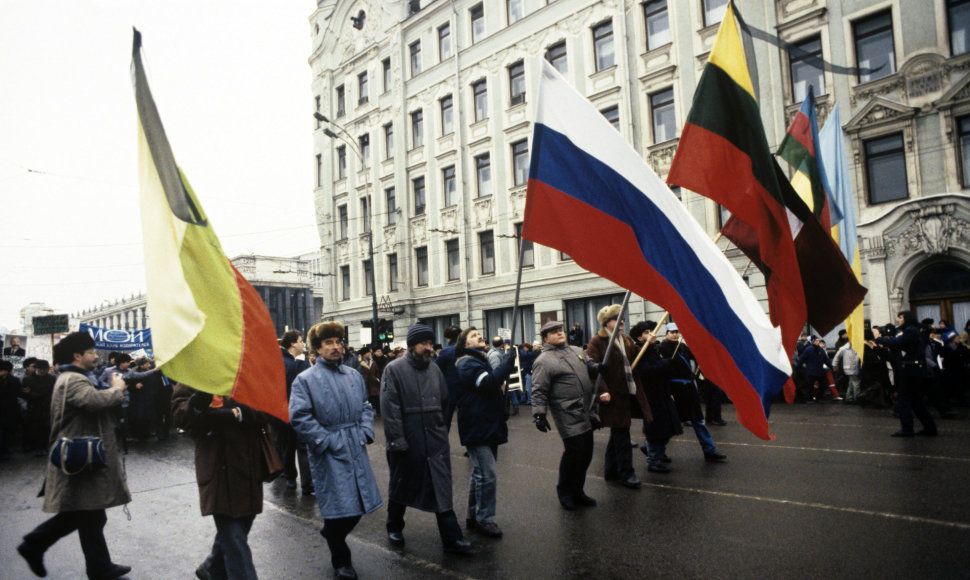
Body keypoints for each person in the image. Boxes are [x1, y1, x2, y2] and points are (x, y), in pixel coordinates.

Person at [18, 331, 131, 580]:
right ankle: (34, 544)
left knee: (91, 514)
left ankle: (99, 567)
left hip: (85, 456)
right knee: (84, 512)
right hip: (81, 458)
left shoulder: (77, 376)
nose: (94, 355)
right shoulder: (73, 379)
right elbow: (92, 401)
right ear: (77, 355)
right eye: (90, 352)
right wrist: (116, 389)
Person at [289, 321, 382, 580]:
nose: (335, 347)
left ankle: (332, 533)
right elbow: (300, 417)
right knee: (338, 505)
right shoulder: (304, 380)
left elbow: (365, 405)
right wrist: (328, 442)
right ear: (317, 349)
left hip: (355, 444)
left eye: (338, 342)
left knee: (359, 503)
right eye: (328, 343)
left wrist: (364, 430)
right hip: (330, 451)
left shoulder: (352, 375)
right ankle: (342, 561)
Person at [380, 324, 473, 554]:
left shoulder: (435, 369)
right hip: (408, 439)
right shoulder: (393, 369)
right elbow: (390, 409)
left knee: (441, 488)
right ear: (412, 345)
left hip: (434, 439)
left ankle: (451, 538)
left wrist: (439, 429)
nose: (429, 348)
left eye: (431, 344)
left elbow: (444, 401)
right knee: (401, 484)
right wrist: (398, 441)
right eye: (424, 344)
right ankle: (394, 526)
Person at [172, 384, 269, 580]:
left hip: (248, 462)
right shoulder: (192, 376)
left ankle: (212, 566)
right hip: (218, 465)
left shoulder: (246, 370)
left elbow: (267, 410)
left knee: (242, 523)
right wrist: (197, 404)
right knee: (234, 536)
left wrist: (236, 413)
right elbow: (181, 417)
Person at [531, 320, 601, 509]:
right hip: (567, 412)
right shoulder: (543, 361)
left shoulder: (577, 350)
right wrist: (539, 414)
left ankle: (578, 491)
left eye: (561, 330)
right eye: (554, 332)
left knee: (586, 454)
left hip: (586, 410)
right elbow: (539, 390)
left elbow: (590, 366)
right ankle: (565, 492)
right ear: (546, 338)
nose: (560, 333)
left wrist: (598, 368)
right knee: (574, 453)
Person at [454, 326, 517, 538]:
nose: (480, 335)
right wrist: (506, 366)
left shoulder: (480, 360)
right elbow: (487, 384)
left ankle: (473, 516)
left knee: (479, 473)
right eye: (473, 336)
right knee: (487, 474)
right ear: (465, 345)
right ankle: (485, 519)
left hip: (488, 424)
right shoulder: (467, 362)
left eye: (480, 333)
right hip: (477, 425)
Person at [586, 304, 652, 489]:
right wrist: (602, 391)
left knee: (618, 432)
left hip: (627, 392)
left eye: (622, 318)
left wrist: (648, 344)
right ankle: (627, 474)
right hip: (612, 395)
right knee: (622, 433)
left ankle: (611, 470)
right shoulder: (597, 341)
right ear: (607, 323)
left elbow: (637, 358)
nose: (621, 321)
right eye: (617, 319)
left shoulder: (626, 338)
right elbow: (592, 369)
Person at [659, 323, 727, 463]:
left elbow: (697, 355)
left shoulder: (683, 347)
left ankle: (710, 450)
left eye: (677, 332)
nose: (675, 334)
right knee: (672, 422)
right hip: (676, 389)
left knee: (698, 421)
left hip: (689, 388)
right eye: (672, 332)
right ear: (666, 333)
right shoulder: (662, 348)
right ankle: (653, 448)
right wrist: (668, 391)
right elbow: (662, 373)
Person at [628, 321, 681, 473]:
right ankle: (653, 460)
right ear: (639, 338)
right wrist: (664, 364)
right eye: (646, 332)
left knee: (669, 427)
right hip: (650, 396)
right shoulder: (639, 353)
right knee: (656, 429)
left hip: (662, 393)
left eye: (652, 331)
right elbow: (644, 372)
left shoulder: (654, 349)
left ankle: (654, 450)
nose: (652, 334)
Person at [874, 311, 938, 437]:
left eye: (900, 318)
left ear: (906, 319)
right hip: (914, 368)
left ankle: (907, 429)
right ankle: (930, 428)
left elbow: (896, 343)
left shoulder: (910, 331)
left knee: (903, 400)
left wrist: (879, 338)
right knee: (916, 401)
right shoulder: (913, 330)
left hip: (911, 370)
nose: (898, 320)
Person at [277, 330, 313, 495]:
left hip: (289, 412)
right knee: (298, 447)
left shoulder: (292, 360)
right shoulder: (288, 362)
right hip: (292, 411)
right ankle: (305, 484)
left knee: (290, 446)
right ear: (292, 344)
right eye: (300, 341)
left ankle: (292, 478)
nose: (303, 344)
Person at [21, 359, 55, 456]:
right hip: (34, 407)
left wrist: (32, 393)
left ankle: (44, 447)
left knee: (46, 428)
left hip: (47, 406)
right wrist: (35, 395)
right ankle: (36, 447)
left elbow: (53, 392)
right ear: (36, 369)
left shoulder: (52, 378)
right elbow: (23, 394)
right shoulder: (27, 379)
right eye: (40, 369)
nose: (42, 371)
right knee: (34, 428)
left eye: (45, 369)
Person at [795, 337, 842, 402]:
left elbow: (826, 360)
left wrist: (832, 367)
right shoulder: (808, 350)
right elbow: (802, 359)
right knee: (810, 386)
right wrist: (798, 367)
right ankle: (810, 399)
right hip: (811, 371)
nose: (818, 342)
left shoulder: (821, 350)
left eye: (819, 341)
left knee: (822, 384)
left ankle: (819, 397)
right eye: (816, 341)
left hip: (819, 371)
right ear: (813, 341)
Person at [434, 325, 462, 429]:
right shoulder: (466, 349)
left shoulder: (446, 351)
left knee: (446, 421)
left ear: (448, 338)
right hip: (464, 390)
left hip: (449, 391)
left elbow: (435, 368)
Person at [0, 359, 22, 460]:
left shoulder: (15, 381)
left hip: (9, 410)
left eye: (2, 370)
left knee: (6, 432)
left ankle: (4, 451)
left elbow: (18, 394)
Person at [833, 338, 862, 404]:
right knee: (856, 383)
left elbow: (837, 356)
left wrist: (835, 365)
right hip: (850, 368)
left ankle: (848, 397)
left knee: (851, 382)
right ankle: (857, 398)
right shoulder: (844, 348)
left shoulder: (845, 348)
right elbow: (837, 356)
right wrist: (835, 365)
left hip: (850, 367)